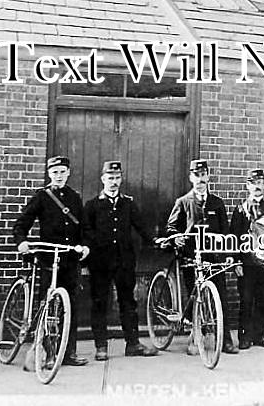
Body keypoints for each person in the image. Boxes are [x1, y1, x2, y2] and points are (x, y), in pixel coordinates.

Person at [12, 156, 90, 367]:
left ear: (68, 173)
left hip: (69, 258)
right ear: (49, 174)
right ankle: (47, 353)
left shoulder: (75, 198)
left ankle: (69, 353)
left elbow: (84, 227)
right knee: (46, 304)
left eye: (63, 172)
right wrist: (22, 241)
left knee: (70, 305)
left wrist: (84, 245)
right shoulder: (42, 197)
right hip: (48, 259)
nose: (59, 176)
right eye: (55, 172)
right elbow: (22, 223)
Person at [82, 161, 158, 361]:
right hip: (100, 263)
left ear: (121, 179)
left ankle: (133, 344)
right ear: (103, 179)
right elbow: (86, 232)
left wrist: (155, 241)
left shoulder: (128, 204)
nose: (114, 182)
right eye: (110, 178)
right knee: (100, 302)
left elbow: (141, 226)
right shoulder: (92, 205)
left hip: (124, 262)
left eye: (117, 178)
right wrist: (91, 250)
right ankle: (101, 346)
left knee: (128, 302)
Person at [166, 159, 239, 355]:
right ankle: (196, 337)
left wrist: (228, 254)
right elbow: (171, 227)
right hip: (192, 258)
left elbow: (225, 231)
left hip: (214, 258)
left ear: (208, 177)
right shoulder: (183, 202)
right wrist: (177, 237)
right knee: (195, 297)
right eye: (196, 176)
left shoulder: (217, 203)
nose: (200, 180)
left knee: (221, 297)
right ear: (191, 178)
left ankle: (225, 340)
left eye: (203, 175)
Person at [229, 168, 264, 349]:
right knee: (246, 300)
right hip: (247, 263)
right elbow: (234, 237)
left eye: (260, 183)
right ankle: (245, 337)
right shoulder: (241, 209)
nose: (257, 187)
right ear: (248, 186)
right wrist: (236, 261)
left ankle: (261, 336)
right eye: (253, 183)